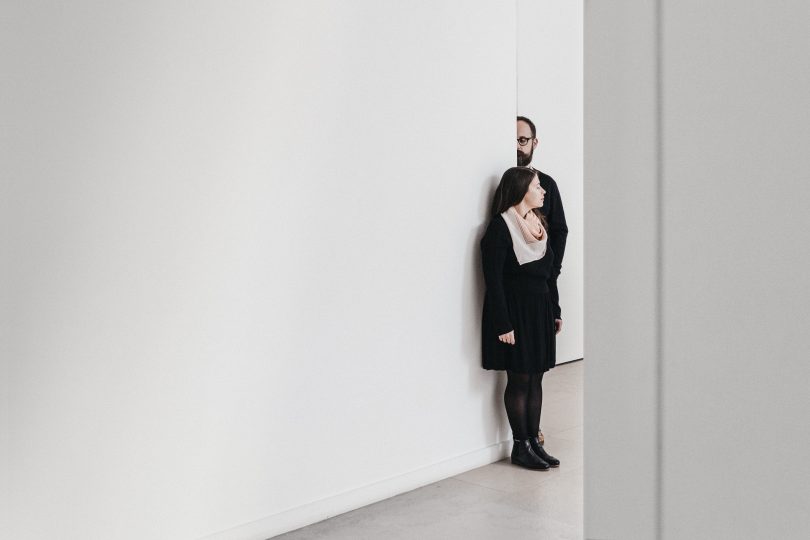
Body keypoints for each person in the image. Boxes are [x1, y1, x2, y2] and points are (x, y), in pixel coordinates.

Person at [480, 166, 561, 470]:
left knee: (537, 376)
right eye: (538, 186)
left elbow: (549, 275)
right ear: (522, 190)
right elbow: (494, 280)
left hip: (539, 309)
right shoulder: (500, 228)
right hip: (515, 312)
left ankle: (534, 442)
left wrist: (555, 310)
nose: (543, 191)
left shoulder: (538, 223)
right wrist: (503, 324)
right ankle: (520, 446)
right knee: (520, 378)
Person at [516, 115, 568, 446]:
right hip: (516, 295)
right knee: (521, 372)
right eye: (514, 140)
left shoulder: (544, 184)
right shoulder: (505, 181)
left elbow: (560, 230)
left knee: (537, 370)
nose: (518, 146)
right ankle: (524, 439)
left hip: (543, 287)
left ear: (535, 143)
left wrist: (552, 272)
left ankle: (531, 436)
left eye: (523, 139)